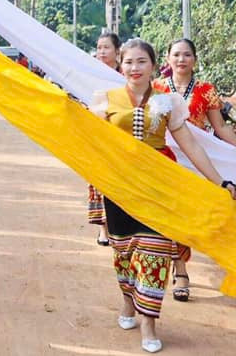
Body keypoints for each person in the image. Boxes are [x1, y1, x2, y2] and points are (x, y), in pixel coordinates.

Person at [91, 38, 236, 353]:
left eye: (142, 62)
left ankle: (149, 322)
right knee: (124, 252)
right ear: (121, 64)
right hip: (121, 187)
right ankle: (129, 302)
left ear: (154, 66)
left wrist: (220, 181)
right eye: (129, 62)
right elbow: (94, 143)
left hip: (159, 185)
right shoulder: (106, 100)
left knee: (155, 251)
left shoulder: (167, 102)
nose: (135, 68)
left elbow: (191, 145)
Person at [152, 38, 236, 301]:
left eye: (187, 55)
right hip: (168, 161)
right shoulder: (155, 88)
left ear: (194, 60)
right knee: (176, 215)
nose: (181, 59)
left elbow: (220, 128)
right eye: (176, 54)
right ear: (167, 59)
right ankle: (181, 272)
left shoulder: (206, 90)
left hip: (198, 161)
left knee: (203, 212)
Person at [89, 32, 121, 246]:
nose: (101, 52)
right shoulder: (88, 73)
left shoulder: (126, 75)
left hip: (121, 136)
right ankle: (103, 228)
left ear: (117, 52)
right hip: (97, 134)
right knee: (99, 180)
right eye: (99, 47)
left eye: (106, 48)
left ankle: (120, 226)